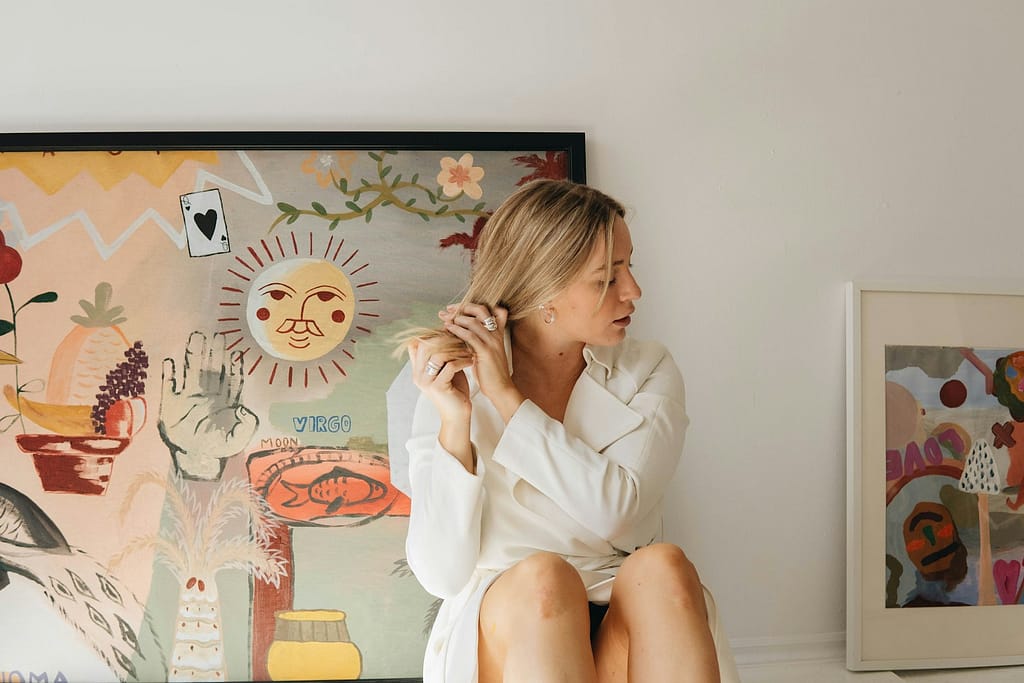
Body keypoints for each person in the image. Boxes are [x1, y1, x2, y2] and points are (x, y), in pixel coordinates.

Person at [398, 179, 736, 682]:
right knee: (545, 577)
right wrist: (456, 421)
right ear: (545, 289)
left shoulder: (648, 368)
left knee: (662, 566)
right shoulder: (450, 375)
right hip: (510, 615)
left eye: (630, 266)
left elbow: (618, 512)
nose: (634, 292)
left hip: (623, 602)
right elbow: (441, 574)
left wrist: (507, 398)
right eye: (607, 277)